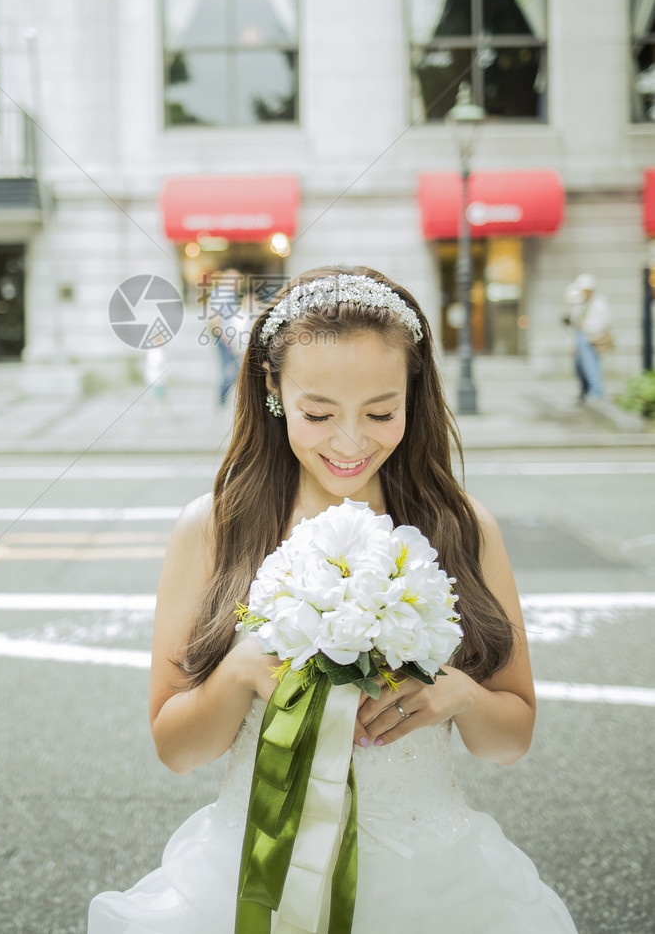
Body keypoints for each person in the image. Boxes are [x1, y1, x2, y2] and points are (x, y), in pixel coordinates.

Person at [88, 265, 578, 933]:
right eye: (318, 413)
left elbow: (512, 735)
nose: (350, 442)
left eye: (381, 412)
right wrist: (239, 672)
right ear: (273, 388)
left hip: (436, 877)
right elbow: (176, 748)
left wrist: (457, 695)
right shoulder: (213, 527)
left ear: (415, 392)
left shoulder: (462, 526)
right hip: (252, 871)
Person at [563, 273, 612, 403]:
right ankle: (584, 391)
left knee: (591, 366)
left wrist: (588, 327)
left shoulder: (599, 302)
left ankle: (596, 393)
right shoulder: (579, 301)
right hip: (578, 336)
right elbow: (570, 301)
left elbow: (603, 321)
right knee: (579, 367)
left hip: (589, 337)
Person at [205, 268, 251, 406]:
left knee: (232, 368)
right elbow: (214, 317)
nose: (237, 283)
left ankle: (228, 401)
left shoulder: (228, 293)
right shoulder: (222, 293)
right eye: (235, 280)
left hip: (229, 338)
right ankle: (222, 401)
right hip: (224, 338)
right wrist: (225, 337)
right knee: (229, 370)